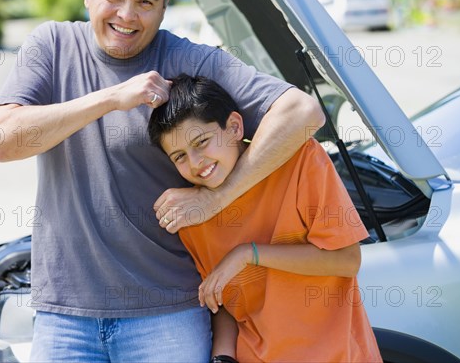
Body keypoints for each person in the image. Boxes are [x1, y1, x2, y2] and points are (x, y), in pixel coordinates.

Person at [0, 0, 324, 361]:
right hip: (64, 316)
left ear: (164, 7)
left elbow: (303, 113)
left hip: (169, 317)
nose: (127, 15)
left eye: (146, 2)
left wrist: (214, 199)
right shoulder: (51, 45)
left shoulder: (187, 58)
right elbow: (1, 141)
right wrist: (111, 97)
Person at [148, 74, 382, 363]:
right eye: (179, 156)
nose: (196, 162)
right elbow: (219, 300)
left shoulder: (301, 159)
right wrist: (223, 357)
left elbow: (347, 260)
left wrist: (249, 254)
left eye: (202, 141)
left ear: (234, 127)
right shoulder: (191, 214)